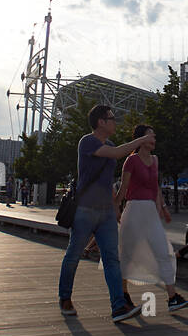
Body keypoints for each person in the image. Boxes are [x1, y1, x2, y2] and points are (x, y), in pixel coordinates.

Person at [58, 105, 154, 322]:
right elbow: (117, 153)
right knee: (74, 254)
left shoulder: (110, 144)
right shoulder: (88, 141)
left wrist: (115, 206)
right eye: (111, 118)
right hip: (84, 209)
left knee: (112, 258)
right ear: (101, 122)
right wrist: (140, 140)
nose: (115, 122)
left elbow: (108, 180)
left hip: (106, 213)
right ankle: (65, 298)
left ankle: (118, 306)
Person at [114, 125, 188, 313]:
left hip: (149, 211)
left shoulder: (155, 160)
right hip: (133, 210)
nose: (154, 139)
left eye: (154, 136)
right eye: (150, 136)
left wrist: (163, 208)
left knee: (163, 252)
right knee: (127, 254)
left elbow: (155, 188)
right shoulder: (131, 161)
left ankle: (172, 297)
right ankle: (123, 294)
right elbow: (123, 188)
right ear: (140, 139)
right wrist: (115, 207)